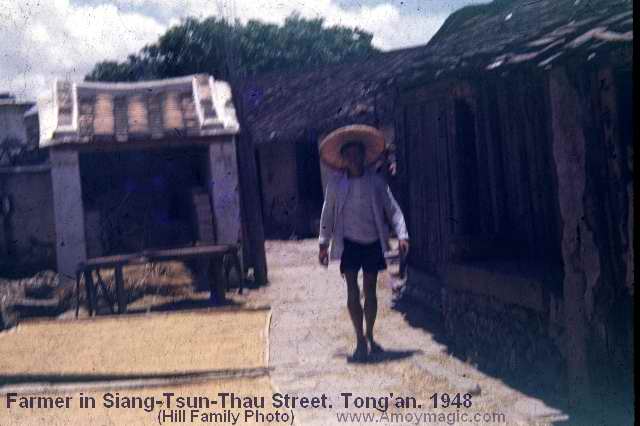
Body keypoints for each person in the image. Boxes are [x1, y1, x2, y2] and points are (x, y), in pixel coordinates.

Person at [317, 124, 409, 362]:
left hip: (372, 242)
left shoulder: (375, 182)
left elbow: (392, 209)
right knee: (352, 288)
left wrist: (402, 235)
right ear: (343, 158)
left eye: (356, 153)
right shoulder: (337, 185)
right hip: (349, 243)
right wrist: (323, 244)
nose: (353, 158)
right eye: (348, 155)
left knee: (370, 290)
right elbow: (328, 213)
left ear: (362, 155)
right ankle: (359, 339)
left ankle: (369, 334)